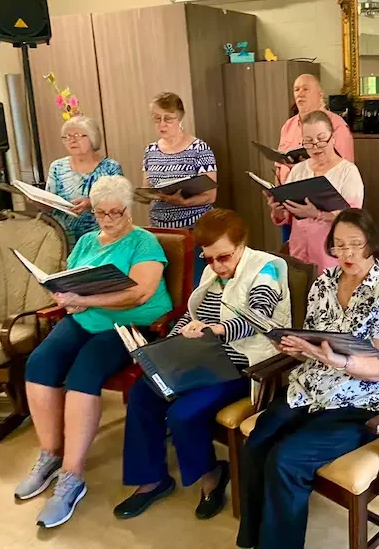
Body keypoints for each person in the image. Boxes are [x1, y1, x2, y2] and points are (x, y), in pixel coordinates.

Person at [236, 209, 379, 549]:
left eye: (355, 245)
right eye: (339, 245)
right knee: (258, 443)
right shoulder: (324, 284)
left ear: (371, 245)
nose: (346, 254)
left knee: (287, 459)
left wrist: (337, 360)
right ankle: (253, 540)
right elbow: (314, 344)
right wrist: (296, 347)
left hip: (361, 402)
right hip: (311, 387)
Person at [15, 175, 173, 528]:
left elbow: (140, 294)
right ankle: (50, 455)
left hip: (128, 325)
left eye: (114, 213)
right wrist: (63, 294)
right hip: (86, 318)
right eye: (101, 213)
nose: (107, 219)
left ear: (128, 210)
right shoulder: (86, 239)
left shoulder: (143, 242)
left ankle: (72, 476)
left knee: (83, 374)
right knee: (39, 363)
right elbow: (71, 279)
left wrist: (84, 300)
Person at [113, 208, 290, 521]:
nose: (217, 266)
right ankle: (152, 478)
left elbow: (259, 318)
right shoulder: (213, 271)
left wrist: (217, 330)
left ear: (242, 244)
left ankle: (212, 474)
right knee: (143, 391)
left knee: (183, 413)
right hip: (205, 359)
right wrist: (164, 346)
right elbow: (194, 315)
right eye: (208, 259)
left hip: (245, 367)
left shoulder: (266, 270)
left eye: (224, 257)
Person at [267, 110, 364, 273]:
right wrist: (278, 210)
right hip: (299, 251)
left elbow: (353, 220)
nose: (315, 146)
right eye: (309, 142)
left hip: (331, 255)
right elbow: (288, 216)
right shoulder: (298, 170)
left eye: (321, 140)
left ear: (332, 138)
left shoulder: (348, 172)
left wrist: (317, 215)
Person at [142, 91, 218, 287]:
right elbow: (146, 188)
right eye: (157, 119)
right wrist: (143, 194)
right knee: (167, 286)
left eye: (168, 119)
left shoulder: (200, 149)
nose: (162, 124)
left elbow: (210, 195)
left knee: (193, 286)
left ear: (180, 117)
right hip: (161, 232)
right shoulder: (150, 151)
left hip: (193, 231)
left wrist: (185, 202)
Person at [276, 74, 355, 244]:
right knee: (295, 254)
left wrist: (318, 213)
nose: (300, 93)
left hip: (325, 215)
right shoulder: (288, 126)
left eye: (305, 89)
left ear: (319, 94)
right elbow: (279, 164)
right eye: (296, 89)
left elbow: (343, 168)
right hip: (290, 207)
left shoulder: (337, 126)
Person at [42, 115, 122, 246]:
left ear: (92, 137)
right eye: (67, 137)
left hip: (102, 238)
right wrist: (39, 202)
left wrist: (92, 202)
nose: (72, 141)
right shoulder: (57, 167)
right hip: (63, 238)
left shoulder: (111, 167)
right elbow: (50, 205)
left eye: (78, 135)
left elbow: (120, 204)